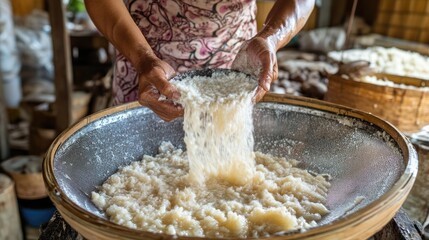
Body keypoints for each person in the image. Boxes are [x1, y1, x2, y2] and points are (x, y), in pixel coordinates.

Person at [84, 0, 315, 121]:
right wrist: (143, 59)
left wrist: (271, 37)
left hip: (235, 60)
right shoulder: (143, 60)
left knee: (225, 148)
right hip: (144, 59)